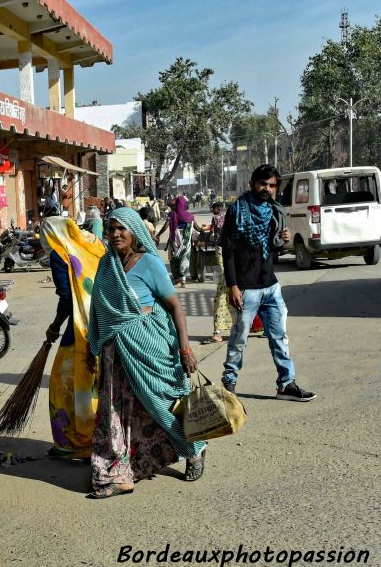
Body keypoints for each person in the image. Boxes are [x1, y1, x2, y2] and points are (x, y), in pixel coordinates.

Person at [87, 208, 205, 498]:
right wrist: (95, 347)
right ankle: (117, 469)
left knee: (160, 408)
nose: (115, 234)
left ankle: (194, 449)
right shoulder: (106, 266)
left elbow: (175, 306)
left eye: (121, 229)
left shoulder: (149, 263)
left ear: (134, 232)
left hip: (148, 350)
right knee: (115, 414)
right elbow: (98, 309)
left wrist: (185, 348)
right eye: (111, 229)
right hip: (115, 353)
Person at [220, 165, 316, 401]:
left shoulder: (274, 210)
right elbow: (228, 251)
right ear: (252, 183)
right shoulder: (238, 210)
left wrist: (281, 240)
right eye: (263, 184)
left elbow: (270, 247)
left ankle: (286, 384)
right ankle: (228, 384)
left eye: (272, 185)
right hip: (246, 288)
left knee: (280, 337)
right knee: (240, 338)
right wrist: (232, 286)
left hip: (270, 286)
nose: (268, 189)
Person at [39, 218, 105, 459]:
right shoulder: (93, 245)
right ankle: (98, 437)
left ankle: (75, 442)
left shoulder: (60, 252)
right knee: (94, 383)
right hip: (102, 325)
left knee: (62, 384)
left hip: (79, 330)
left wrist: (55, 326)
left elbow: (67, 297)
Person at [156, 196, 196, 287]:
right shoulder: (189, 216)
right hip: (186, 243)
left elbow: (165, 226)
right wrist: (202, 231)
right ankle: (183, 279)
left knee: (174, 259)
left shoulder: (172, 214)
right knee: (185, 259)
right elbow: (196, 227)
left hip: (175, 242)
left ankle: (177, 279)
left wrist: (158, 235)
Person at [207, 202, 232, 343]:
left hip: (233, 276)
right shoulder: (227, 222)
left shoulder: (217, 219)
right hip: (230, 276)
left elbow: (212, 232)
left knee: (222, 295)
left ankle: (219, 331)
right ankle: (219, 331)